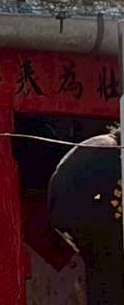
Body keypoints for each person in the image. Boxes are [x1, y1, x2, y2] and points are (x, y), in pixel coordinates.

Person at [47, 129, 124, 304]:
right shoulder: (109, 152)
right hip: (86, 220)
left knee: (102, 272)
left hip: (75, 225)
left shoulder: (102, 147)